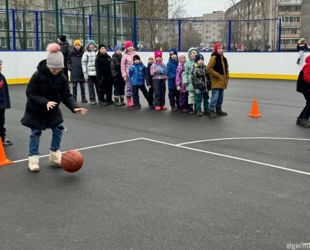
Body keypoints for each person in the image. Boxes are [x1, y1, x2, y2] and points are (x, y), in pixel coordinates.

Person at [21, 43, 88, 172]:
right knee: (35, 133)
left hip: (52, 109)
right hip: (36, 109)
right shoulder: (38, 75)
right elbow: (30, 93)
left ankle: (54, 155)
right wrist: (45, 102)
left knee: (58, 129)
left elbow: (66, 95)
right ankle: (33, 160)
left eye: (58, 69)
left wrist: (74, 107)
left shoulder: (62, 77)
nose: (56, 71)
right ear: (48, 65)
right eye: (53, 69)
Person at [207, 42, 229, 118]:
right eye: (219, 48)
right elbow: (209, 68)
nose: (220, 50)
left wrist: (226, 76)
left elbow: (226, 68)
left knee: (220, 97)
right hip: (216, 80)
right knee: (215, 97)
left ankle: (218, 110)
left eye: (222, 48)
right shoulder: (214, 57)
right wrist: (218, 75)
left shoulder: (224, 58)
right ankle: (211, 110)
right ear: (216, 49)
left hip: (222, 80)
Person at [82, 40, 99, 105]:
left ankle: (100, 98)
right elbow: (83, 64)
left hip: (97, 73)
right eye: (90, 44)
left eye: (92, 44)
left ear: (94, 45)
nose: (91, 45)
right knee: (91, 88)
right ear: (88, 46)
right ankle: (92, 99)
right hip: (89, 74)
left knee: (98, 87)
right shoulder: (85, 53)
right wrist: (85, 73)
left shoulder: (97, 52)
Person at [183, 47, 199, 114]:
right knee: (191, 96)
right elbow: (185, 73)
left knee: (197, 96)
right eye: (191, 53)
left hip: (198, 83)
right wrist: (185, 81)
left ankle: (197, 108)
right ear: (189, 55)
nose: (193, 54)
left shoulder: (198, 62)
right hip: (190, 83)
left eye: (194, 53)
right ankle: (190, 108)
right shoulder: (187, 63)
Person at [0, 60, 12, 146]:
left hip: (1, 105)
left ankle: (2, 137)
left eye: (1, 65)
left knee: (1, 121)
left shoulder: (2, 77)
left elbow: (5, 92)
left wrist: (6, 103)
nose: (1, 66)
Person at [296, 55, 310, 127]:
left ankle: (300, 119)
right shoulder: (308, 65)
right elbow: (306, 77)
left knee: (309, 103)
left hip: (306, 87)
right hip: (305, 87)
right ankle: (304, 119)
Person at [121, 41, 136, 107]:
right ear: (126, 48)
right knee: (129, 87)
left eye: (131, 46)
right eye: (128, 46)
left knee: (134, 88)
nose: (130, 48)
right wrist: (124, 75)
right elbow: (122, 66)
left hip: (135, 75)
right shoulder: (125, 55)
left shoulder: (135, 54)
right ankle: (129, 101)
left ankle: (135, 100)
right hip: (128, 75)